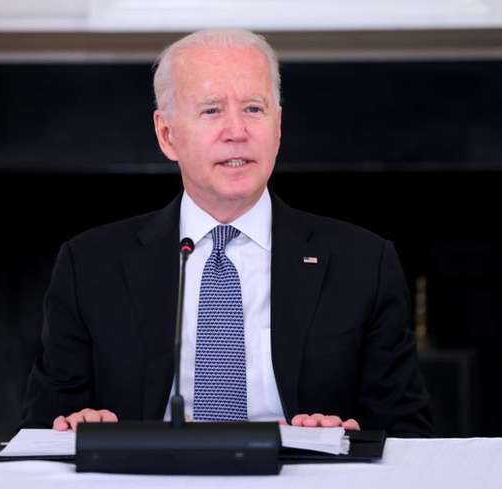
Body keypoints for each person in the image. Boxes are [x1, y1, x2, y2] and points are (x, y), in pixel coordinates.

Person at [21, 29, 432, 436]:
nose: (236, 131)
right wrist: (75, 427)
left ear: (279, 126)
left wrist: (345, 437)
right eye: (211, 110)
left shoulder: (362, 262)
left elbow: (407, 432)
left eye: (254, 109)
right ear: (167, 135)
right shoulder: (90, 264)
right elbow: (43, 426)